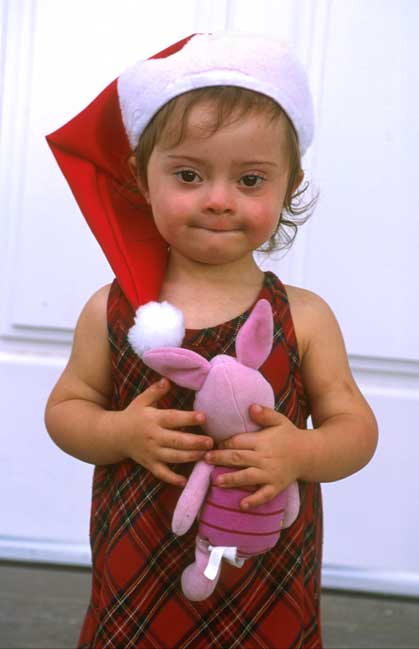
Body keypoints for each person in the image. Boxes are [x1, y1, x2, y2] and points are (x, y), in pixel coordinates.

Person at [45, 32, 378, 648]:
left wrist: (301, 455)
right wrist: (118, 433)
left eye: (251, 179)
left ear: (289, 184)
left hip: (264, 564)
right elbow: (65, 412)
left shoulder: (302, 317)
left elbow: (356, 431)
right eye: (190, 174)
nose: (220, 200)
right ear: (142, 178)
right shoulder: (114, 310)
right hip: (142, 553)